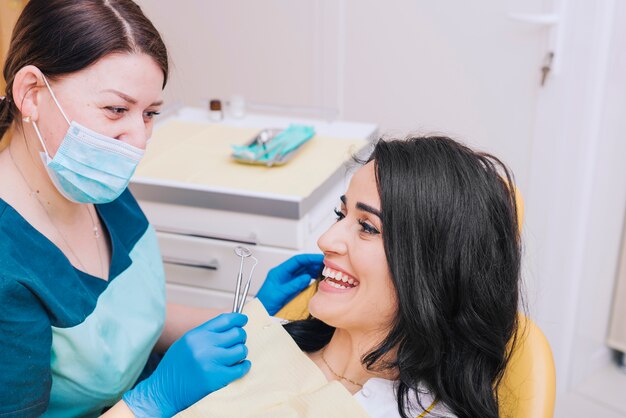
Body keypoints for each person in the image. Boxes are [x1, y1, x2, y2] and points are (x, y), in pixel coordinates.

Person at [0, 1, 320, 417]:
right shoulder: (9, 266)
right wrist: (154, 400)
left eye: (150, 114)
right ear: (30, 93)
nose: (137, 140)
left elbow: (126, 319)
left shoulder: (94, 184)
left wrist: (249, 313)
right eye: (116, 109)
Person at [283, 136, 522, 418]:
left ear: (432, 271)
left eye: (368, 228)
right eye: (341, 214)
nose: (326, 240)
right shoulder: (256, 339)